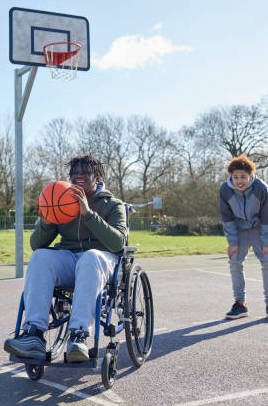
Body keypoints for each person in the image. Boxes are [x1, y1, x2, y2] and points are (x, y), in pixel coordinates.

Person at [4, 154, 127, 362]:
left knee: (90, 258)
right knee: (41, 257)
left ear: (96, 176)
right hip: (69, 258)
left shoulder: (112, 204)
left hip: (102, 259)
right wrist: (47, 220)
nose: (79, 176)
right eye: (74, 173)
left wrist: (88, 214)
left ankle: (78, 335)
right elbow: (36, 244)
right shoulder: (60, 199)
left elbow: (117, 243)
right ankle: (34, 334)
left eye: (85, 172)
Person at [220, 154, 268, 320]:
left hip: (260, 227)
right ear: (231, 176)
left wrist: (266, 241)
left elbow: (267, 217)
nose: (239, 181)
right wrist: (232, 242)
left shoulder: (261, 188)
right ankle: (240, 304)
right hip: (239, 229)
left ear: (251, 175)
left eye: (243, 177)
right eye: (235, 177)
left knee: (267, 261)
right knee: (234, 262)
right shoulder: (225, 190)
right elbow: (227, 218)